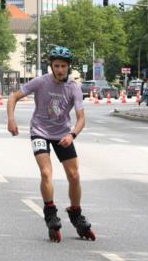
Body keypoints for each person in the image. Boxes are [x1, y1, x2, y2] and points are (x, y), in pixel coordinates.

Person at [7, 46, 94, 242]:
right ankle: (50, 212)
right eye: (56, 66)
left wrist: (72, 135)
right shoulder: (40, 82)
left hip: (63, 134)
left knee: (74, 175)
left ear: (68, 67)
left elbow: (81, 118)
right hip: (40, 132)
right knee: (46, 172)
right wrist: (11, 119)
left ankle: (75, 212)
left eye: (63, 66)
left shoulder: (74, 87)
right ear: (51, 67)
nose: (60, 69)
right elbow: (13, 97)